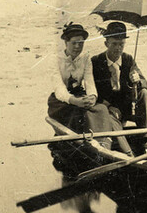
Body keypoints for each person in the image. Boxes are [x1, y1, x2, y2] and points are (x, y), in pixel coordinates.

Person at [47, 22, 121, 152]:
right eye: (74, 43)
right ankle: (88, 141)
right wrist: (74, 100)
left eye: (81, 43)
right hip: (61, 101)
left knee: (101, 108)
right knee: (79, 112)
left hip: (79, 95)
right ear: (66, 42)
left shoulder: (85, 58)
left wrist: (92, 96)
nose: (77, 46)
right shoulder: (55, 59)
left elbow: (89, 81)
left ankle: (103, 142)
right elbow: (59, 88)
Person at [91, 21, 147, 154]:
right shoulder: (96, 61)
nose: (118, 48)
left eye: (121, 44)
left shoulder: (128, 59)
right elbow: (92, 89)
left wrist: (138, 80)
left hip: (129, 106)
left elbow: (144, 82)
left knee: (145, 93)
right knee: (110, 118)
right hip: (110, 107)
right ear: (106, 43)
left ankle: (146, 138)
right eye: (114, 44)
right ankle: (128, 152)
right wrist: (107, 105)